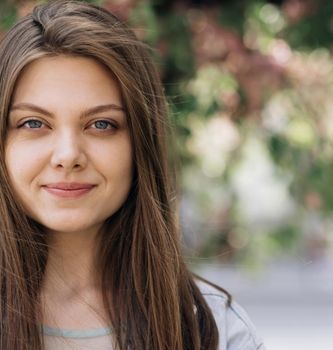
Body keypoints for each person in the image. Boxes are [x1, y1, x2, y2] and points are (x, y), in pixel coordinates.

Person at [0, 1, 265, 349]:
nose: (68, 156)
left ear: (140, 143)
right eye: (33, 123)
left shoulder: (209, 329)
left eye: (101, 124)